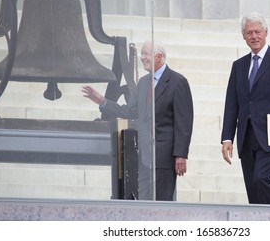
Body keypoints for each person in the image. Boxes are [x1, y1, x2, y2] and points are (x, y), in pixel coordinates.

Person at [82, 40, 194, 201]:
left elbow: (184, 123)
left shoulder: (177, 82)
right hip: (144, 157)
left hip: (164, 157)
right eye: (141, 53)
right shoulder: (143, 83)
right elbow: (128, 111)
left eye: (145, 53)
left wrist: (181, 155)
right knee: (142, 203)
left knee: (163, 203)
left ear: (159, 57)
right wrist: (103, 101)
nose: (142, 57)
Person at [221, 12, 270, 204]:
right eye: (249, 33)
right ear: (243, 36)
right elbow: (231, 104)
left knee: (261, 178)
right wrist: (227, 137)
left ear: (266, 32)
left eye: (257, 31)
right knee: (252, 187)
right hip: (246, 136)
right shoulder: (238, 66)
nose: (254, 36)